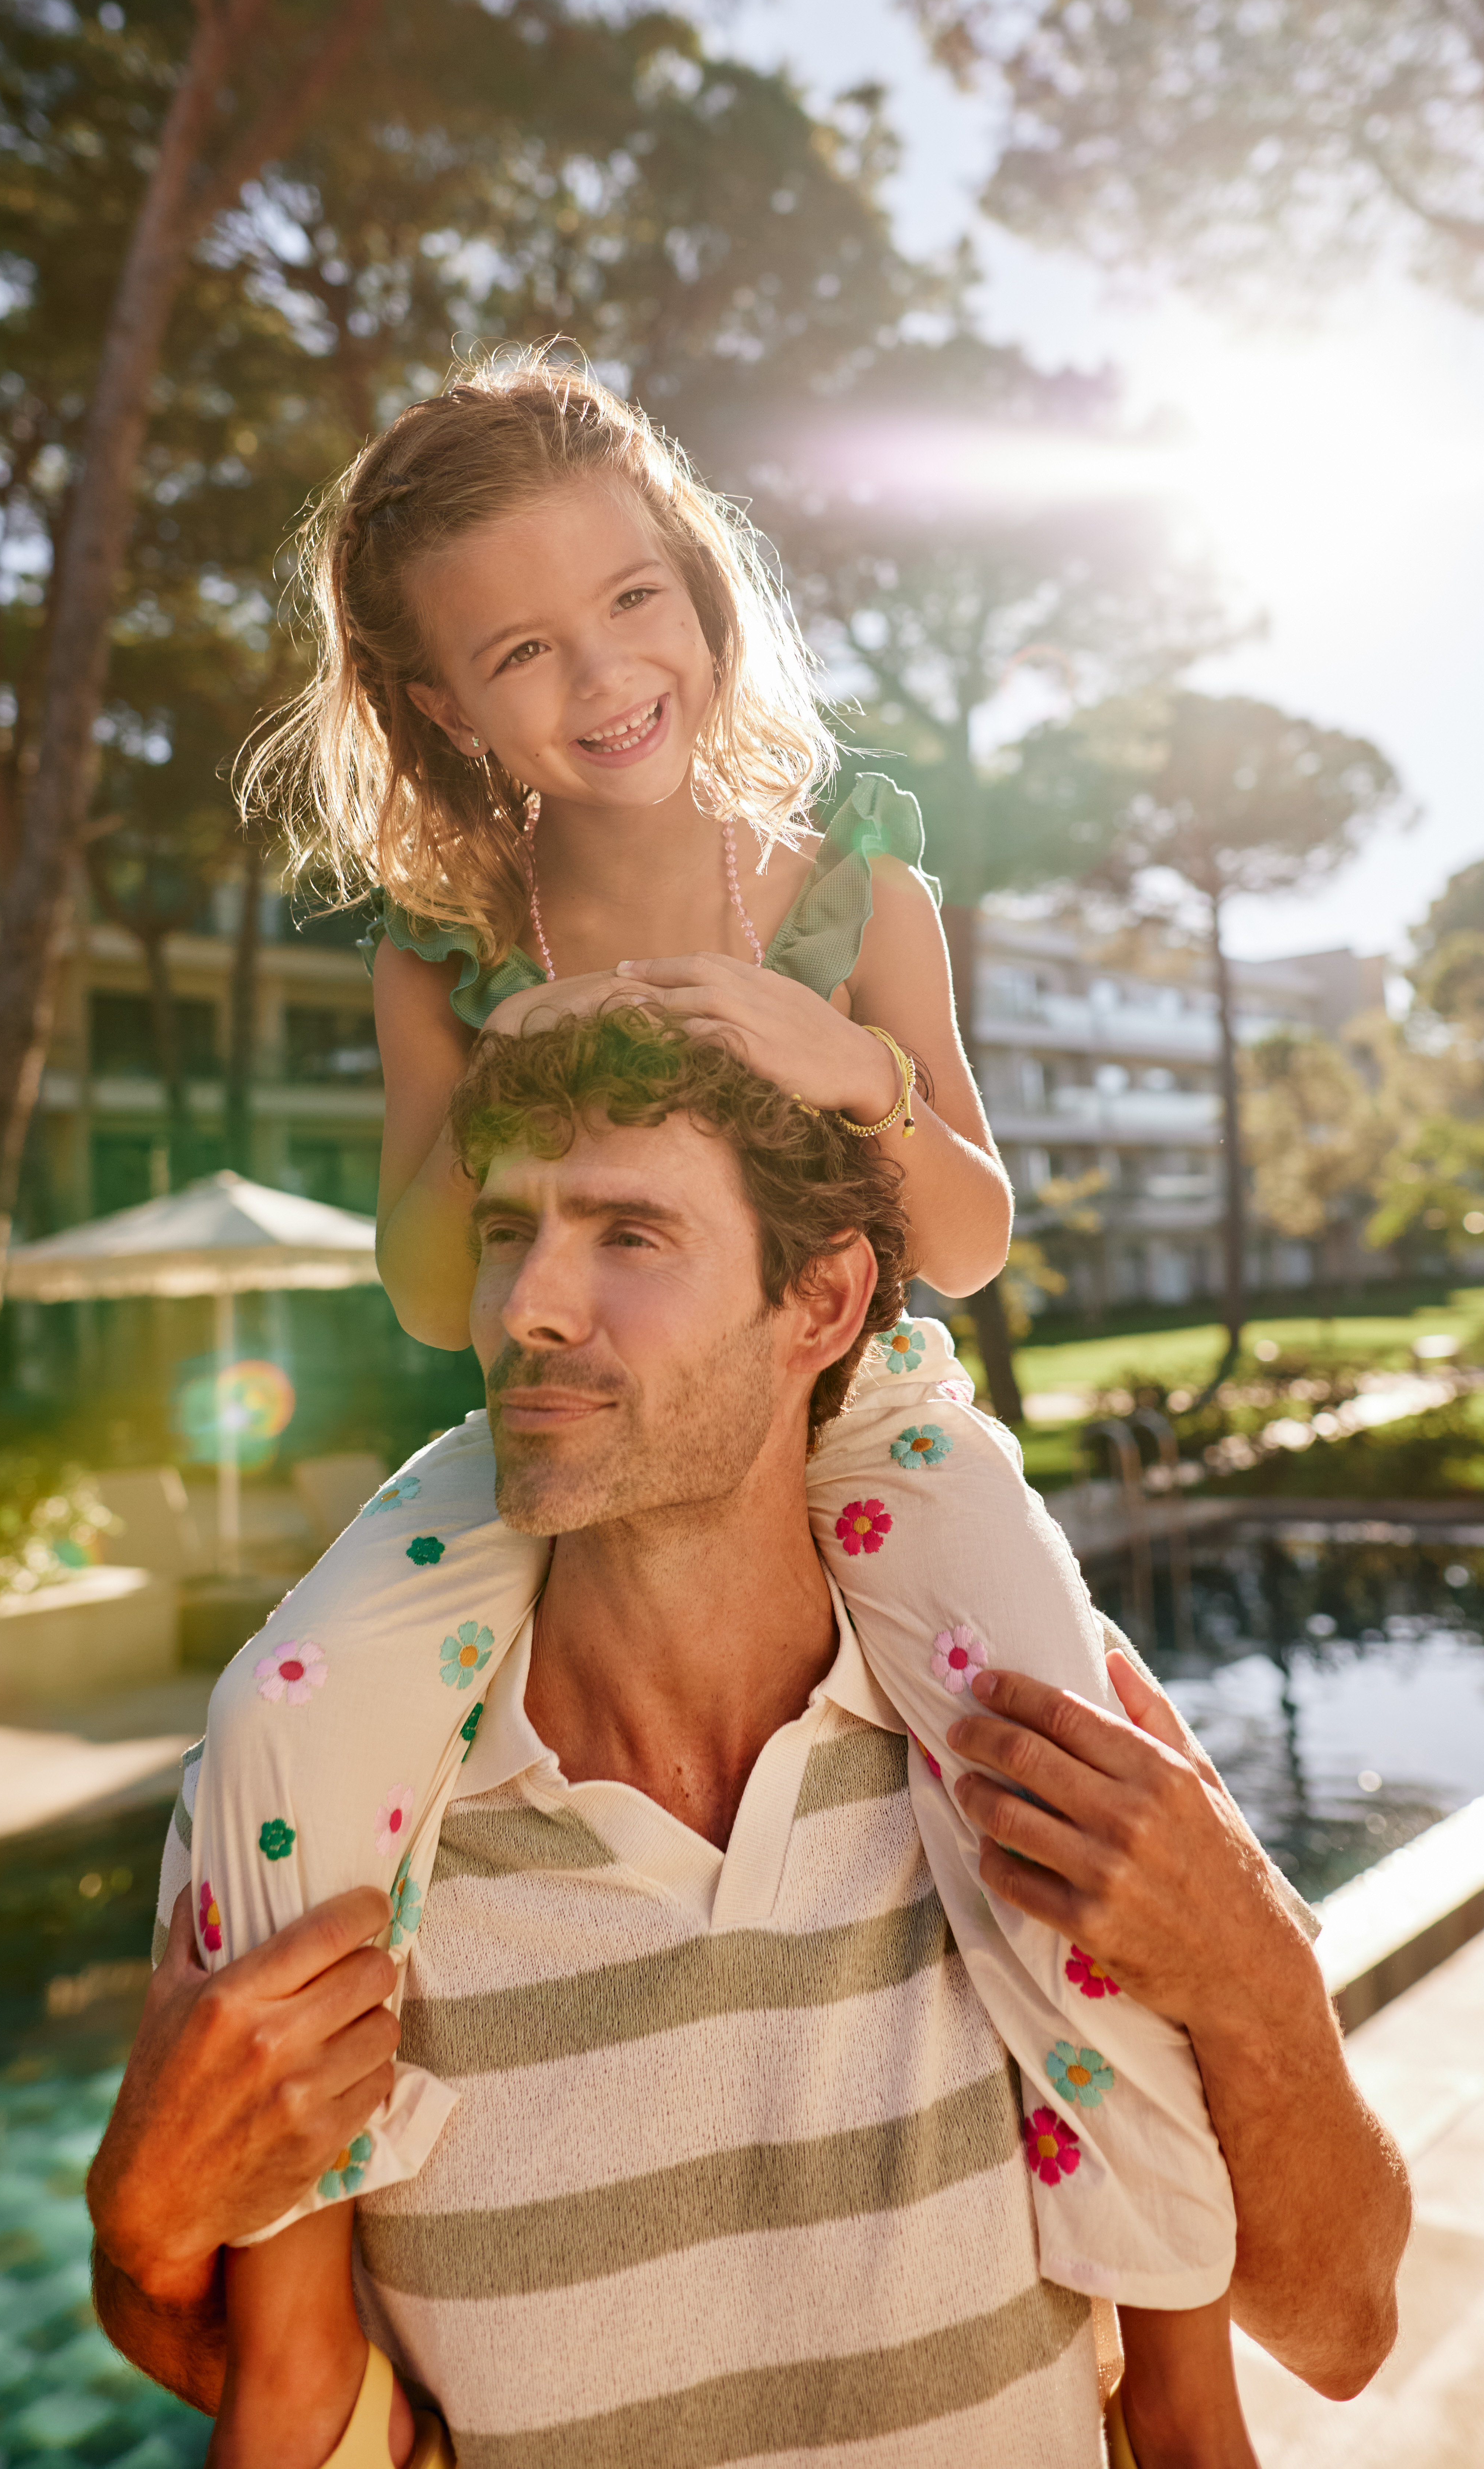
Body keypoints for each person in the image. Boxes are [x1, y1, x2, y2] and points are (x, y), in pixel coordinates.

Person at [185, 359, 1249, 2441]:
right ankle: (300, 2298)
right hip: (564, 1423)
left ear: (696, 585)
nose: (603, 677)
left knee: (1057, 1761)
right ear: (435, 708)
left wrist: (838, 1061)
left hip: (862, 1411)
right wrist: (518, 1075)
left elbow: (965, 1231)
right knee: (283, 1711)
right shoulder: (444, 940)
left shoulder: (849, 876)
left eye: (634, 601)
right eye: (519, 651)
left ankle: (1174, 2337)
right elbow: (430, 1286)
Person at [96, 1008, 1412, 2465]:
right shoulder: (343, 1804)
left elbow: (1341, 2330)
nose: (527, 1302)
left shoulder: (1033, 1772)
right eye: (505, 1230)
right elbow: (307, 2400)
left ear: (822, 1304)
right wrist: (145, 2239)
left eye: (630, 1235)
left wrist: (1255, 1974)